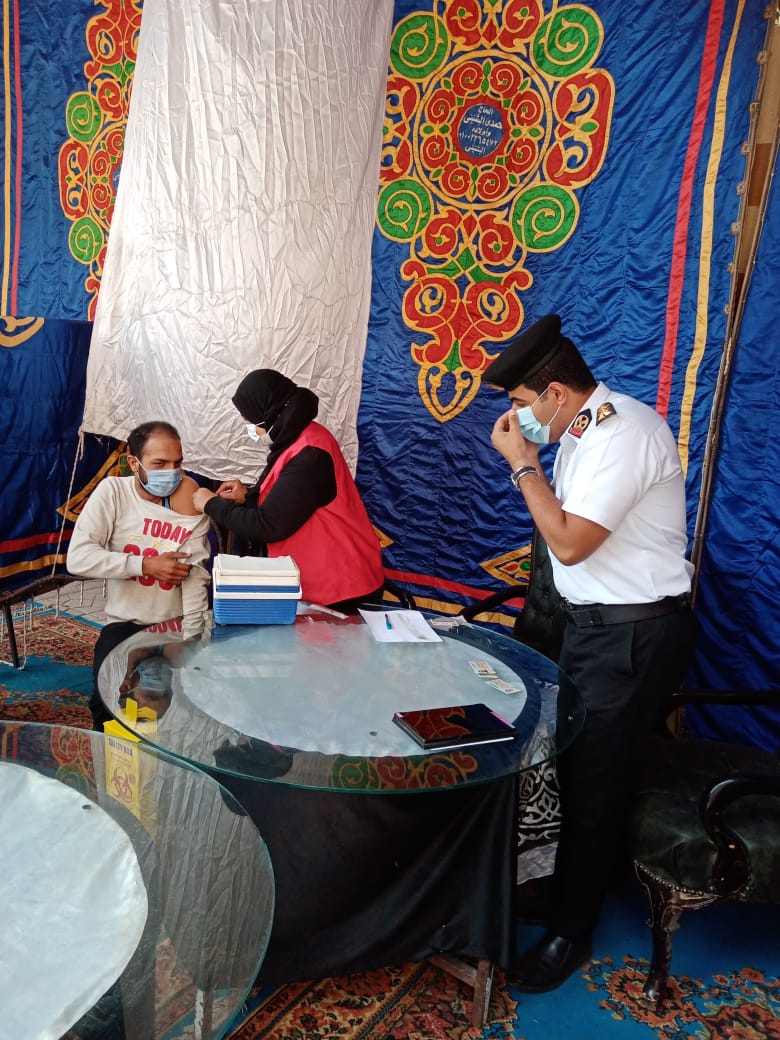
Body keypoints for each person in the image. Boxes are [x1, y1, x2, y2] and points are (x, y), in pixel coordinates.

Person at [484, 314, 695, 992]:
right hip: (592, 628)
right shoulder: (580, 433)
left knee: (594, 783)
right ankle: (569, 888)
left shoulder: (622, 433)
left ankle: (571, 933)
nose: (519, 418)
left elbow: (570, 543)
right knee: (579, 768)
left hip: (631, 634)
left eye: (522, 403)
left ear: (554, 392)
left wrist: (523, 466)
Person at [191, 369, 384, 613]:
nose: (249, 426)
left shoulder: (310, 454)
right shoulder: (298, 438)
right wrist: (249, 496)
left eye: (250, 419)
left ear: (268, 411)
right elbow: (289, 500)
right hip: (324, 580)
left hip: (342, 588)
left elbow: (268, 525)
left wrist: (210, 503)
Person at [67, 421, 211, 729]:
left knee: (192, 707)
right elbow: (78, 558)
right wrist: (145, 565)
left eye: (177, 463)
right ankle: (111, 755)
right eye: (159, 463)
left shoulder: (189, 500)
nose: (171, 472)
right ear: (134, 463)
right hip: (125, 624)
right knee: (105, 702)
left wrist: (192, 635)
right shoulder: (114, 493)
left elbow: (196, 577)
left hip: (175, 625)